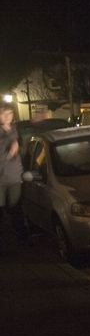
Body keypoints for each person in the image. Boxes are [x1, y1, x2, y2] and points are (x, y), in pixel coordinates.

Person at [0, 103, 24, 248]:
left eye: (10, 113)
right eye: (3, 113)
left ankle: (22, 239)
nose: (7, 116)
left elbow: (22, 149)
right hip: (1, 179)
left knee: (16, 208)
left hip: (14, 177)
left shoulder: (15, 130)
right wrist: (9, 154)